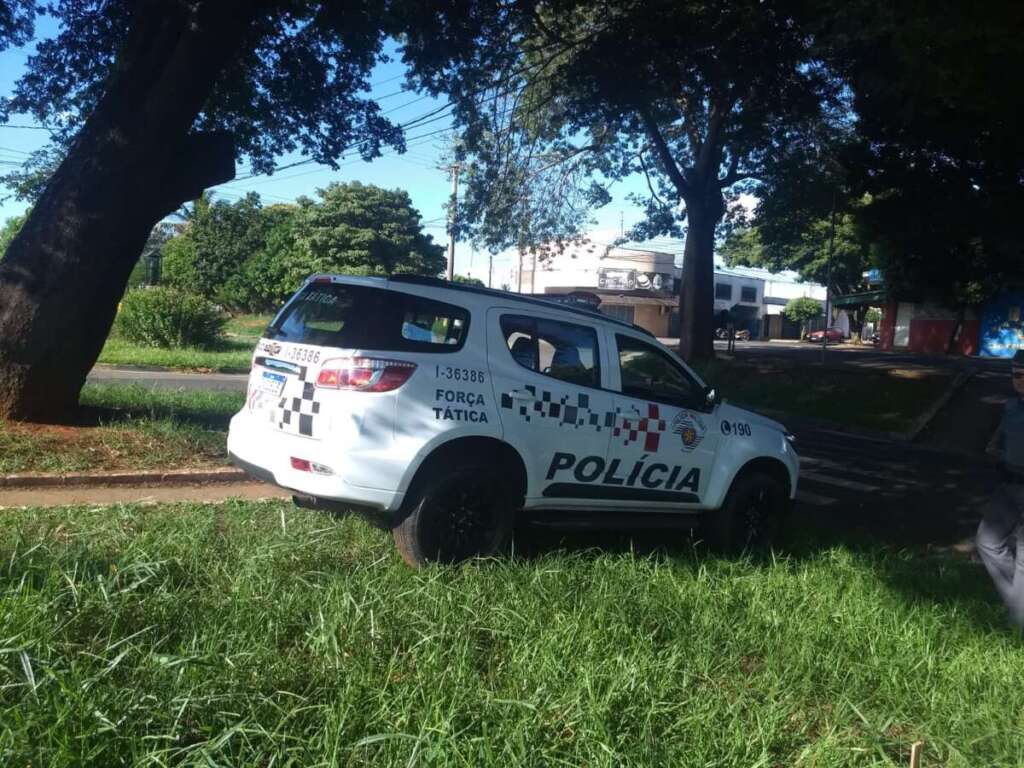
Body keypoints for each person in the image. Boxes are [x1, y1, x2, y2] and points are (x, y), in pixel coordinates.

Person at [977, 350, 1024, 627]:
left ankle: (1018, 628)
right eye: (1014, 374)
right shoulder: (1011, 407)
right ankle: (1018, 608)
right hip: (1008, 486)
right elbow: (999, 439)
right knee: (987, 542)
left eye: (1022, 375)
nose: (1017, 379)